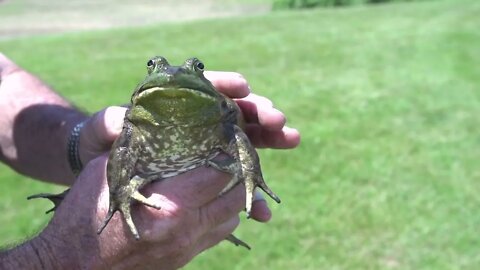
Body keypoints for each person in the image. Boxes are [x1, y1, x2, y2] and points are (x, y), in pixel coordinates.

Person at [0, 53, 300, 269]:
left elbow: (4, 81)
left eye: (197, 69)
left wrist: (79, 142)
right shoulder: (136, 125)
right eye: (153, 67)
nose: (169, 76)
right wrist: (55, 259)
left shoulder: (219, 117)